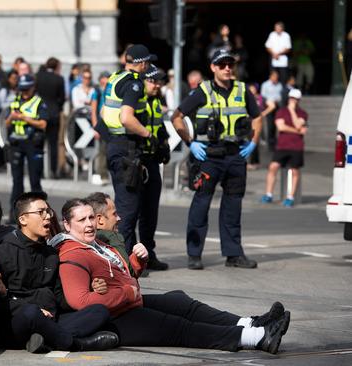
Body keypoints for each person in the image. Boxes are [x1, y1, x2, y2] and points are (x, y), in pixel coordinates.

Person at [50, 198, 291, 354]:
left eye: (91, 217)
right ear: (67, 226)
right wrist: (124, 292)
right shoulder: (73, 254)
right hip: (116, 316)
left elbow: (122, 274)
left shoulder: (96, 243)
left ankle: (251, 322)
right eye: (82, 220)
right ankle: (257, 337)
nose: (90, 224)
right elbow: (79, 302)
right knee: (179, 328)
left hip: (129, 303)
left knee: (180, 301)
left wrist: (137, 261)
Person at [0, 192, 119, 353]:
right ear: (23, 219)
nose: (47, 217)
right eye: (40, 212)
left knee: (99, 310)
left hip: (51, 319)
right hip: (17, 322)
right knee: (31, 313)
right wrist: (28, 307)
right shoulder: (1, 253)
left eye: (48, 211)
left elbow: (60, 298)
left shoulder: (51, 253)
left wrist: (91, 289)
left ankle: (46, 339)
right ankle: (76, 344)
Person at [171, 49, 262, 270]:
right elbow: (176, 118)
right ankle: (194, 255)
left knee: (233, 207)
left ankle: (234, 255)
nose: (227, 68)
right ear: (213, 67)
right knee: (201, 205)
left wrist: (253, 143)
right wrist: (190, 142)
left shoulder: (242, 90)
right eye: (222, 65)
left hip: (236, 155)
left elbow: (257, 118)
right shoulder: (202, 91)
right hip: (209, 156)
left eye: (230, 64)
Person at [100, 44, 164, 265]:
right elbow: (127, 117)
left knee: (135, 207)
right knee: (128, 211)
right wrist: (148, 135)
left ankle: (140, 257)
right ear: (142, 63)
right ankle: (125, 261)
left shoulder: (115, 78)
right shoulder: (133, 84)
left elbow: (103, 113)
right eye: (146, 62)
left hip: (119, 146)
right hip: (127, 148)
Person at [125, 64, 171, 270]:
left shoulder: (155, 101)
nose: (157, 84)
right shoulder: (137, 100)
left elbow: (159, 126)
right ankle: (132, 258)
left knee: (150, 212)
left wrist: (164, 143)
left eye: (158, 81)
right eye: (152, 80)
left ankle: (148, 254)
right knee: (132, 212)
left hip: (152, 161)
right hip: (136, 160)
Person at [5, 74, 49, 215]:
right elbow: (6, 124)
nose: (23, 93)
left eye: (26, 90)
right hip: (17, 143)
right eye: (21, 89)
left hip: (33, 143)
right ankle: (15, 213)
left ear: (32, 88)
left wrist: (25, 118)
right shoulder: (15, 102)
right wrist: (12, 117)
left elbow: (43, 124)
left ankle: (40, 212)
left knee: (34, 180)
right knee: (17, 181)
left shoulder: (39, 102)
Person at [260, 89, 307, 207]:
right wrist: (298, 131)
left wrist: (292, 111)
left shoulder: (302, 113)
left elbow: (298, 124)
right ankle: (269, 194)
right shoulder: (281, 111)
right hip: (282, 145)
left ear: (298, 100)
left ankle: (290, 197)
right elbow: (281, 127)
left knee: (295, 171)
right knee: (273, 166)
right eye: (291, 98)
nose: (293, 100)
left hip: (296, 147)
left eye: (295, 99)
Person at [84, 192, 138, 277]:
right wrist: (139, 258)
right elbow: (128, 271)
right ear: (100, 219)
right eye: (114, 214)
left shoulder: (80, 240)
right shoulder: (111, 237)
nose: (118, 218)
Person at [35, 57, 66, 178]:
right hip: (54, 113)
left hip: (40, 112)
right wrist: (57, 107)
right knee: (53, 144)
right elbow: (62, 98)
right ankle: (53, 170)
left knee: (39, 143)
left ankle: (40, 170)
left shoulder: (38, 76)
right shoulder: (59, 79)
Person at [261, 70, 283, 151]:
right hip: (268, 106)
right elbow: (263, 96)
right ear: (270, 77)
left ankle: (275, 142)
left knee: (275, 126)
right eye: (274, 77)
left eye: (277, 77)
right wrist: (269, 102)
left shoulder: (279, 85)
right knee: (270, 126)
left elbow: (280, 96)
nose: (275, 78)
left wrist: (276, 101)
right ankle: (270, 143)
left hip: (276, 106)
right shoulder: (265, 85)